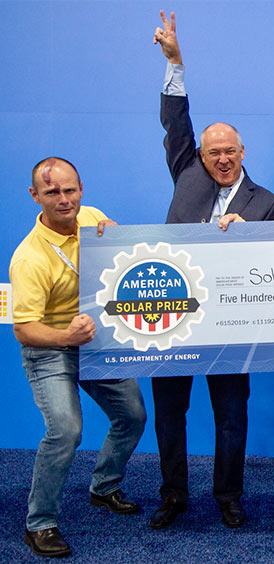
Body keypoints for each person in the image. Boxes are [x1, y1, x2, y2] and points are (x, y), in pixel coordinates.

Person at [150, 10, 274, 530]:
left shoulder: (266, 201)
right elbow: (175, 123)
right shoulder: (186, 171)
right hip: (172, 316)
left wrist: (271, 229)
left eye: (229, 151)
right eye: (213, 153)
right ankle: (173, 495)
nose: (221, 159)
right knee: (169, 414)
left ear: (242, 152)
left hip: (231, 325)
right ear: (200, 156)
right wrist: (175, 63)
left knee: (231, 417)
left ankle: (229, 496)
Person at [11, 157, 147, 558]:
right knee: (66, 430)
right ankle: (40, 523)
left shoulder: (91, 216)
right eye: (52, 192)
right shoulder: (29, 258)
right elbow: (24, 329)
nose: (63, 199)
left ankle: (103, 487)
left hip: (96, 343)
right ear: (35, 196)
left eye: (70, 190)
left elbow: (117, 261)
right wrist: (64, 336)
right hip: (49, 348)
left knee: (133, 416)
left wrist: (116, 238)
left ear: (81, 189)